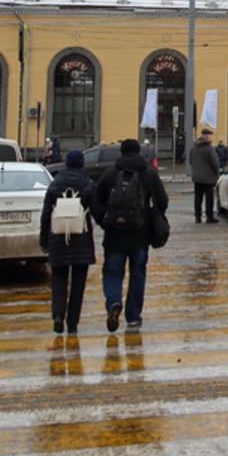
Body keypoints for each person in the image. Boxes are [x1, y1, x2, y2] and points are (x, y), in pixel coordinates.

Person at [94, 138, 168, 331]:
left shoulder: (110, 174)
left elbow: (96, 201)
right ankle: (133, 316)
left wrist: (104, 220)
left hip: (113, 235)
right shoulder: (149, 175)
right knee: (137, 274)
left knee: (112, 272)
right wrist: (152, 216)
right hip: (140, 235)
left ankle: (113, 303)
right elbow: (162, 201)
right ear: (138, 154)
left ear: (121, 153)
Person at [39, 149, 95, 333]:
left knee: (58, 279)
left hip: (58, 237)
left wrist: (44, 241)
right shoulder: (88, 184)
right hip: (81, 240)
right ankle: (72, 323)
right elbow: (96, 211)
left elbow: (46, 215)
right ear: (81, 164)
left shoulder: (54, 185)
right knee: (78, 284)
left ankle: (57, 315)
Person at [189, 128, 221, 223]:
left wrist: (196, 170)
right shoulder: (209, 148)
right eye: (209, 135)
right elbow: (214, 163)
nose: (210, 137)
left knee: (198, 197)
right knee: (209, 197)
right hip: (208, 177)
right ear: (206, 136)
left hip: (197, 177)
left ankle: (198, 216)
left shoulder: (194, 147)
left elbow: (190, 161)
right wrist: (216, 172)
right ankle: (209, 216)